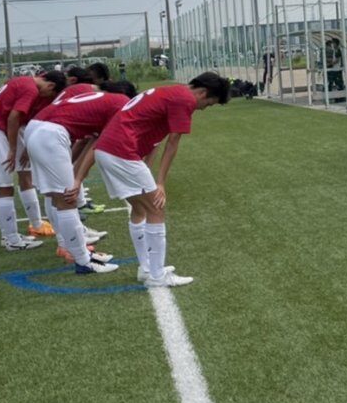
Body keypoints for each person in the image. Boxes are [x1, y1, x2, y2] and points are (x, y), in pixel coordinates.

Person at [73, 73, 231, 287]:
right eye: (208, 103)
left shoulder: (172, 92)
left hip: (107, 149)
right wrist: (160, 182)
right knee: (156, 208)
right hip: (121, 151)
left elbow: (153, 138)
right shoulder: (184, 99)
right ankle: (156, 276)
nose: (204, 108)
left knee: (140, 210)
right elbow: (173, 143)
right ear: (202, 93)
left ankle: (146, 268)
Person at [26, 80, 135, 273]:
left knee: (56, 195)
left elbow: (87, 141)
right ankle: (83, 261)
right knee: (67, 199)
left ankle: (70, 248)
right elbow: (98, 145)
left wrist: (73, 171)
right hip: (50, 134)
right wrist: (77, 179)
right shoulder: (122, 104)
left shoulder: (102, 101)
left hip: (36, 128)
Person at [0, 70, 67, 251]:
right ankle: (12, 240)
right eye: (50, 93)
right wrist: (13, 149)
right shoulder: (30, 88)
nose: (45, 96)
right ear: (50, 85)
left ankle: (7, 235)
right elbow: (14, 117)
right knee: (4, 188)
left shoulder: (19, 81)